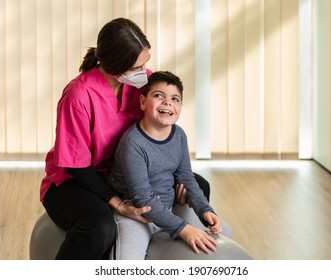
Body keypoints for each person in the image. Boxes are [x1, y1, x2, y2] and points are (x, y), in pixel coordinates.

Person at [39, 18, 211, 260]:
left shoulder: (141, 83)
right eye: (136, 68)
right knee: (100, 227)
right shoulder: (78, 95)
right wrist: (118, 204)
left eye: (145, 64)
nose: (144, 73)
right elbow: (77, 166)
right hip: (75, 181)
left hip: (126, 172)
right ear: (115, 65)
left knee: (199, 186)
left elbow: (162, 126)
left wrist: (177, 181)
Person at [108, 71, 232, 260]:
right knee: (127, 261)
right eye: (159, 96)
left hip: (169, 207)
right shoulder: (132, 143)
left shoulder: (179, 135)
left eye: (175, 99)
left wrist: (205, 209)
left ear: (180, 106)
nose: (167, 103)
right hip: (138, 215)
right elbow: (143, 199)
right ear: (143, 102)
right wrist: (183, 229)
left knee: (225, 234)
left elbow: (186, 177)